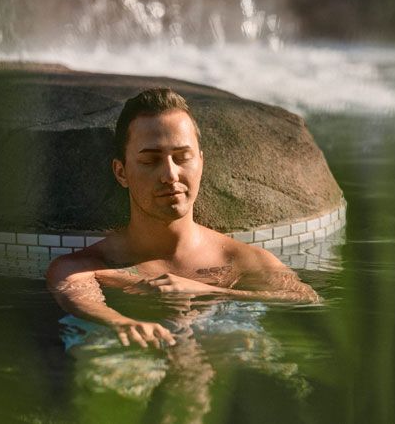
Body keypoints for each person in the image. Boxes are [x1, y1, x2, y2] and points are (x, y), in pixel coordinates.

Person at [46, 88, 320, 350]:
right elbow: (79, 297)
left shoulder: (240, 260)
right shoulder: (87, 266)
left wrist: (206, 291)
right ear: (121, 173)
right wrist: (125, 324)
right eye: (150, 161)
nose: (170, 175)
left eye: (182, 157)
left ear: (200, 163)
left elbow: (306, 300)